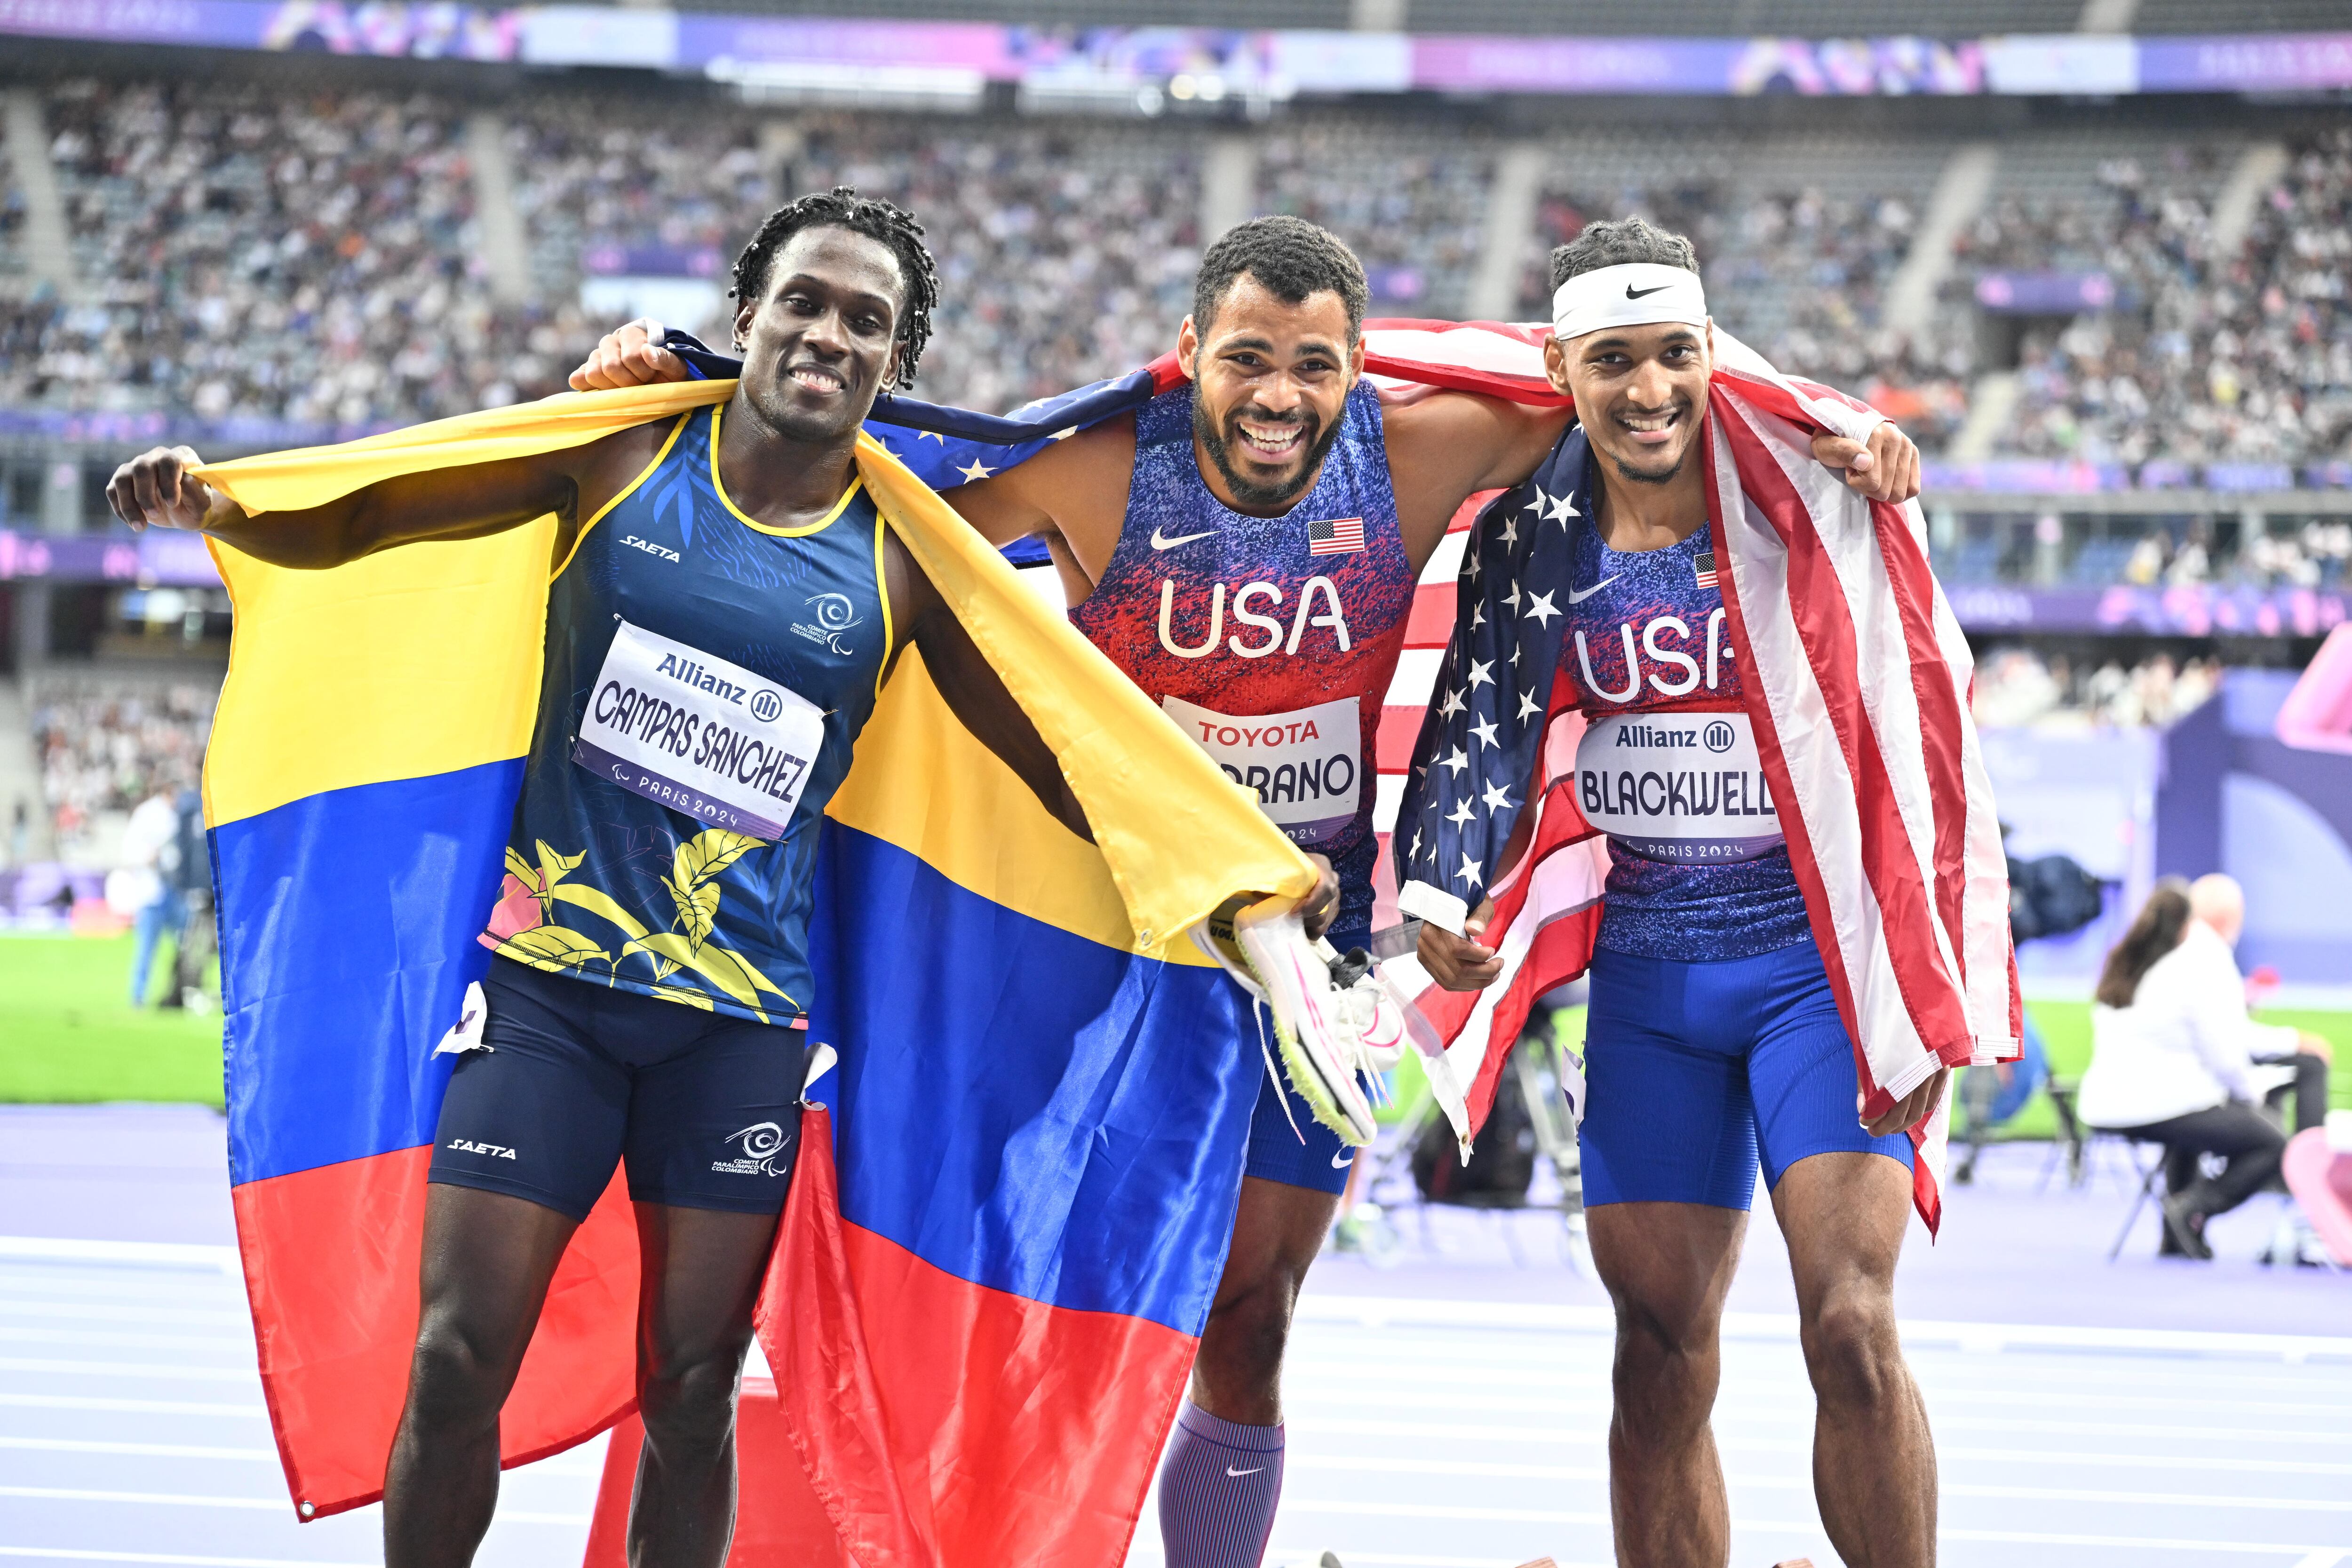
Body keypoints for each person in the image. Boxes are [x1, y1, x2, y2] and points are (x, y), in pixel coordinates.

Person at [572, 213, 1922, 1568]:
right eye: (1247, 360)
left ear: (1357, 374)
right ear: (1187, 355)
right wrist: (677, 392)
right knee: (1034, 1281)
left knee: (1252, 1315)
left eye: (1314, 367)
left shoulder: (1418, 455)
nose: (1279, 398)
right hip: (1109, 944)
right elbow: (851, 515)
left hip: (1299, 955)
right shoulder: (1098, 467)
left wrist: (1817, 420)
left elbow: (1633, 388)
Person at [106, 190, 1309, 1568]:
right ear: (751, 315)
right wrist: (225, 499)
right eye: (806, 301)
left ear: (894, 361)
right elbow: (384, 510)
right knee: (454, 1354)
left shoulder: (902, 560)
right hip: (547, 999)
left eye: (867, 320)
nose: (828, 333)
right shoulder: (619, 455)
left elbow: (1059, 754)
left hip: (734, 1035)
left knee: (691, 1389)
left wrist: (1221, 871)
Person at [1416, 218, 1947, 1568]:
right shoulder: (1532, 535)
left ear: (1713, 353)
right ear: (1563, 366)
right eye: (1614, 362)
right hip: (1649, 985)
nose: (1649, 389)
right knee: (1657, 1353)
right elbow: (1481, 733)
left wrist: (1887, 466)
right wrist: (1446, 889)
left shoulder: (1797, 494)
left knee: (1852, 1324)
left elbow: (1917, 712)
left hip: (1815, 974)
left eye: (1674, 355)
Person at [2078, 875, 2333, 1259]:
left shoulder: (2132, 960)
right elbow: (2227, 1053)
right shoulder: (2200, 960)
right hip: (2164, 1101)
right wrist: (2254, 1096)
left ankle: (2176, 1231)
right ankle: (2193, 1207)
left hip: (2107, 1102)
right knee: (2271, 1141)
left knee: (2199, 1124)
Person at [119, 782, 184, 1007]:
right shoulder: (147, 814)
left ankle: (180, 991)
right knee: (146, 948)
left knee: (187, 943)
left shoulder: (178, 813)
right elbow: (129, 852)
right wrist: (148, 857)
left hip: (174, 892)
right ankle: (138, 996)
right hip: (152, 891)